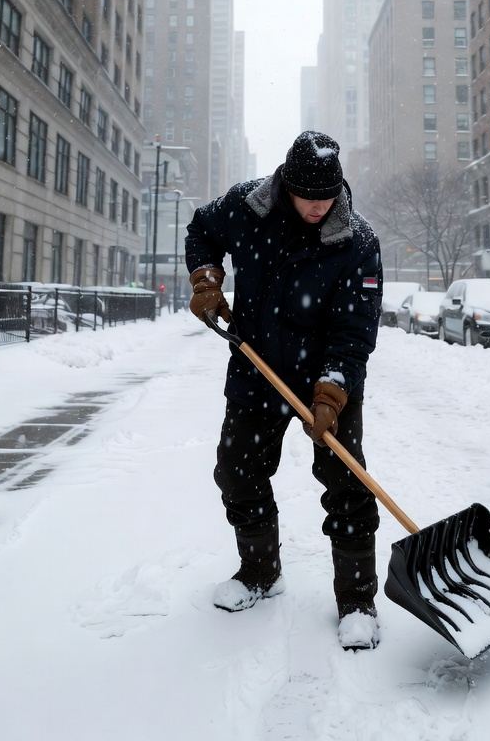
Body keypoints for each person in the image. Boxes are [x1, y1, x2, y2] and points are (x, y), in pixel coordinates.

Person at [185, 130, 383, 650]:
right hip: (258, 366)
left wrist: (332, 391)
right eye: (308, 197)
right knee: (237, 470)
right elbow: (201, 229)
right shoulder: (247, 207)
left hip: (326, 379)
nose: (319, 207)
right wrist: (207, 279)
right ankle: (259, 571)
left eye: (328, 197)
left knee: (347, 484)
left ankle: (358, 601)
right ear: (286, 185)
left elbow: (355, 328)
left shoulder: (357, 241)